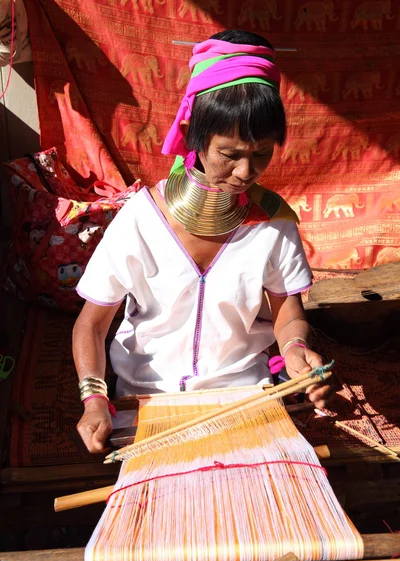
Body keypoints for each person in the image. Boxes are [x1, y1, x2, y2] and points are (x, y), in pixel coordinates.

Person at [73, 29, 335, 454]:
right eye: (229, 155)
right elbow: (92, 323)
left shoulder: (274, 222)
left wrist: (296, 351)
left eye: (262, 152)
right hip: (145, 396)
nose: (247, 171)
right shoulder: (142, 218)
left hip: (244, 395)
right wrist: (94, 399)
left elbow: (288, 314)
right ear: (195, 136)